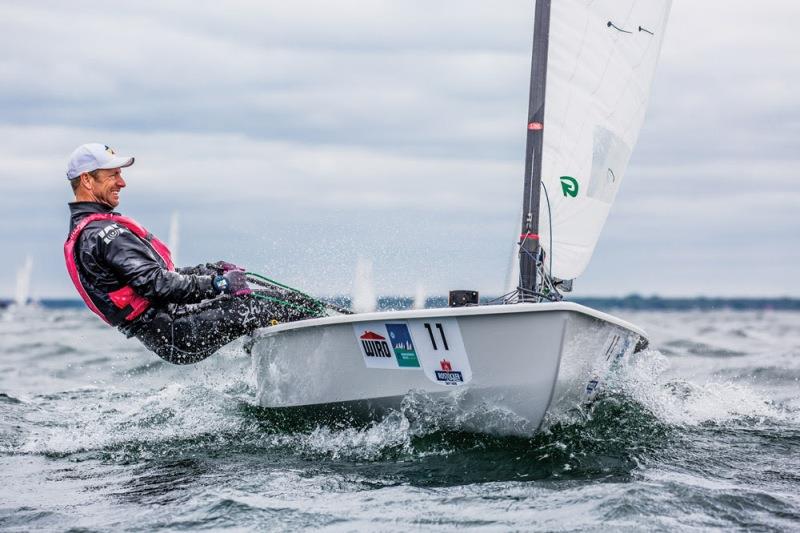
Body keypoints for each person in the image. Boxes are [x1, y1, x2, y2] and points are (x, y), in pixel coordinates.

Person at [63, 143, 323, 364]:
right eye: (113, 175)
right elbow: (158, 284)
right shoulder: (105, 234)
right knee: (276, 303)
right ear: (87, 179)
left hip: (170, 331)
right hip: (176, 330)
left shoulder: (91, 232)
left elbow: (162, 277)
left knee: (274, 302)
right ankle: (332, 347)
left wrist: (209, 270)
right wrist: (218, 283)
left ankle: (294, 363)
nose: (122, 182)